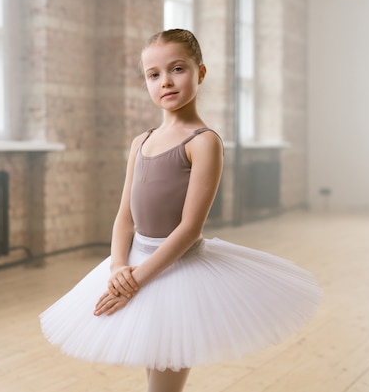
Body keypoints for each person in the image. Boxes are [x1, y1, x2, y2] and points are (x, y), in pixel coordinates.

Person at [40, 29, 321, 392]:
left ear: (200, 73)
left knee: (164, 384)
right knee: (154, 366)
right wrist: (118, 268)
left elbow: (190, 229)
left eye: (177, 69)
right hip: (133, 262)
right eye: (154, 74)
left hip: (178, 270)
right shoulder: (140, 142)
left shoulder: (204, 142)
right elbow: (125, 216)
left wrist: (137, 281)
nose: (166, 82)